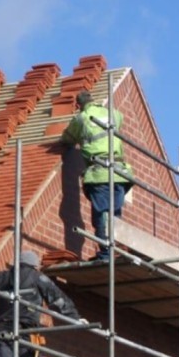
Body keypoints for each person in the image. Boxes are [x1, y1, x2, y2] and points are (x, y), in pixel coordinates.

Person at [61, 90, 134, 261]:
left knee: (102, 213)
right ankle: (113, 251)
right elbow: (119, 120)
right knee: (114, 213)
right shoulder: (113, 114)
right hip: (119, 172)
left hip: (100, 172)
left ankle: (106, 254)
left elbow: (67, 139)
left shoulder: (82, 117)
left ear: (78, 105)